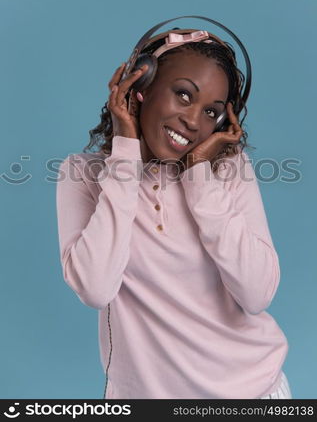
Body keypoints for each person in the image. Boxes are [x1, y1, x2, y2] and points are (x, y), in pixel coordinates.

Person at [56, 31, 292, 399]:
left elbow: (257, 293)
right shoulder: (84, 175)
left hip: (252, 392)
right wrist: (125, 155)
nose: (194, 121)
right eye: (183, 94)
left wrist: (199, 173)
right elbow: (95, 287)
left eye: (211, 112)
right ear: (141, 86)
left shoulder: (228, 170)